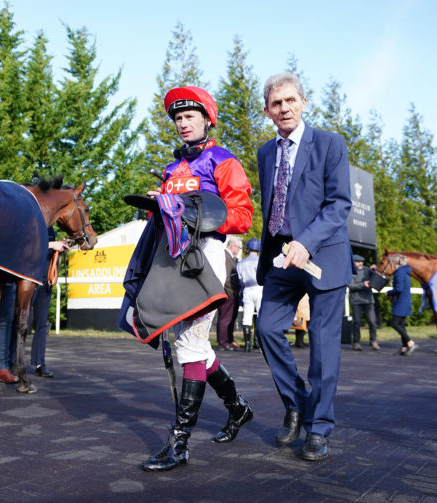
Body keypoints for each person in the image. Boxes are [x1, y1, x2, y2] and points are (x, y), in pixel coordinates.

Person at [141, 86, 254, 472]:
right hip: (173, 257)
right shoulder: (173, 168)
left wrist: (190, 211)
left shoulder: (223, 161)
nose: (182, 123)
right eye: (177, 118)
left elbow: (242, 215)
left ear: (207, 119)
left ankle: (180, 442)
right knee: (194, 345)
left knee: (190, 341)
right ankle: (237, 408)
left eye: (189, 117)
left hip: (208, 257)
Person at [254, 72, 353, 462]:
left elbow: (339, 204)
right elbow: (273, 206)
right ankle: (297, 404)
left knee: (323, 346)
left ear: (304, 102)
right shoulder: (265, 152)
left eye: (291, 100)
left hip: (324, 256)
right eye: (277, 104)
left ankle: (319, 427)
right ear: (267, 111)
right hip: (282, 259)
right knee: (266, 328)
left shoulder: (330, 144)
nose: (285, 109)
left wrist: (306, 242)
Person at [30, 228, 70, 378]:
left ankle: (40, 363)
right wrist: (50, 244)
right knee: (20, 321)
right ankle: (11, 361)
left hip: (46, 278)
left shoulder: (50, 226)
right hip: (29, 278)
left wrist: (60, 244)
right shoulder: (32, 217)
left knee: (41, 323)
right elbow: (26, 242)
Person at [215, 237, 242, 350]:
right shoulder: (226, 256)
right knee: (225, 318)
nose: (240, 250)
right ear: (232, 246)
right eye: (239, 247)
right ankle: (223, 342)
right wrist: (230, 293)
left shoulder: (229, 257)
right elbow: (226, 277)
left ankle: (228, 340)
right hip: (228, 293)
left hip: (231, 293)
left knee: (229, 318)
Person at [386, 255, 417, 355]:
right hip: (405, 301)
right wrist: (393, 283)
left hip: (400, 302)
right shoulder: (404, 272)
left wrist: (389, 292)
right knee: (401, 325)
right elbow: (401, 285)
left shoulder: (399, 272)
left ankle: (410, 342)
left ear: (395, 263)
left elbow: (399, 289)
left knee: (394, 323)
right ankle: (404, 347)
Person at [236, 238, 263, 352]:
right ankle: (258, 342)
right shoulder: (260, 261)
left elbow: (240, 279)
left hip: (247, 289)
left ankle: (247, 344)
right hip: (259, 287)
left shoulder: (241, 262)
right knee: (260, 315)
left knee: (247, 316)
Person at [348, 254, 379, 351]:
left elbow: (376, 277)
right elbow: (350, 286)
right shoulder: (349, 272)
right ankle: (356, 342)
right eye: (357, 262)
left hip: (368, 300)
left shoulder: (367, 270)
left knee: (372, 321)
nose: (360, 263)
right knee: (357, 322)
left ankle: (373, 341)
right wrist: (363, 284)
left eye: (361, 261)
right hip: (356, 300)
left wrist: (375, 270)